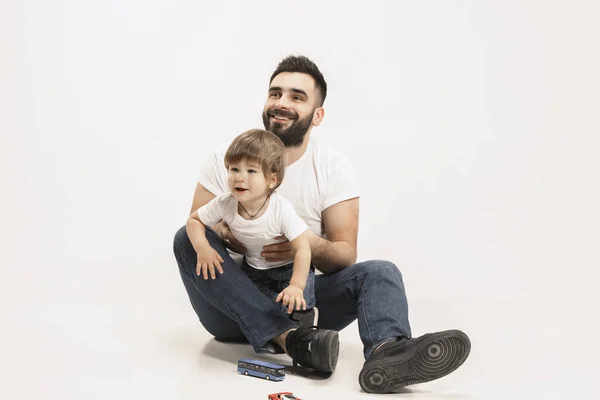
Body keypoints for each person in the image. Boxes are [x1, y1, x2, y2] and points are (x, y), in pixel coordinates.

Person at [173, 55, 471, 393]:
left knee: (380, 272)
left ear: (318, 115)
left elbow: (345, 255)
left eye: (296, 97)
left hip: (297, 302)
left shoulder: (333, 167)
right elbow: (199, 230)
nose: (281, 103)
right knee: (186, 238)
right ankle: (292, 340)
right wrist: (232, 234)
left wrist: (303, 243)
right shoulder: (225, 158)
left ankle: (388, 354)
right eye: (275, 93)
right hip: (230, 308)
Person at [187, 128, 315, 316]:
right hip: (254, 270)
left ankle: (304, 325)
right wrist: (202, 248)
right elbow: (193, 220)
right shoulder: (225, 203)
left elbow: (303, 248)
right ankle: (273, 333)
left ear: (272, 180)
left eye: (251, 171)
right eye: (234, 169)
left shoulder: (281, 209)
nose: (239, 177)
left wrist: (296, 285)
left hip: (289, 269)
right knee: (258, 311)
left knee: (295, 306)